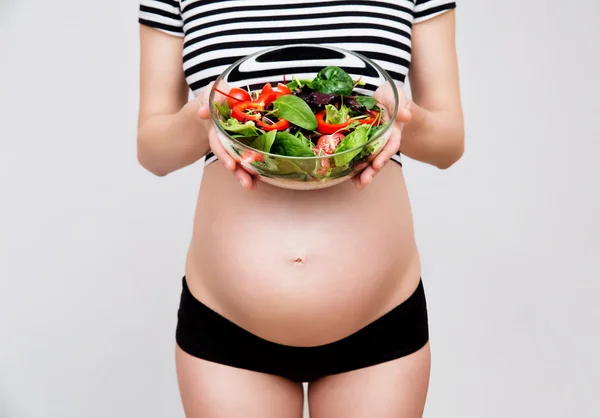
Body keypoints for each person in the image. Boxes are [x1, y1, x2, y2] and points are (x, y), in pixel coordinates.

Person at [137, 1, 464, 416]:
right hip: (227, 323)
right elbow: (153, 151)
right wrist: (205, 118)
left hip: (379, 319)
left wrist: (404, 119)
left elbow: (449, 143)